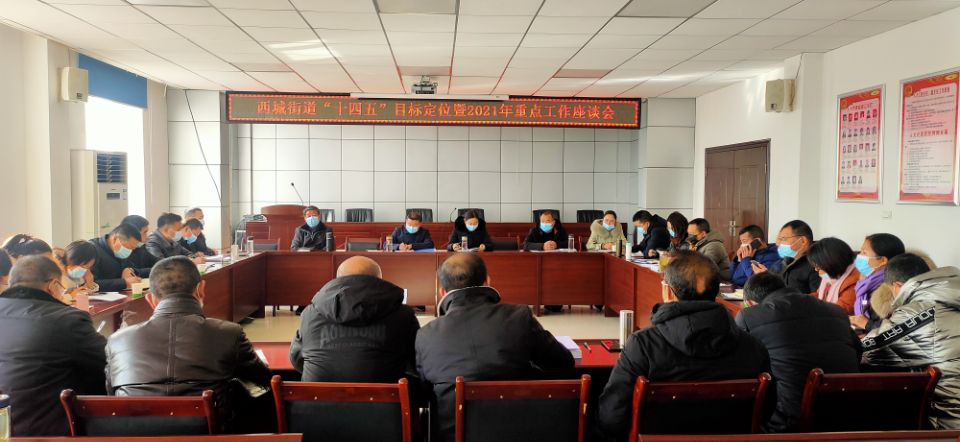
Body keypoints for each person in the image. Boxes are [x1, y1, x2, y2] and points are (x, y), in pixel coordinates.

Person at [597, 251, 769, 440]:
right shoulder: (753, 346)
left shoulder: (643, 344)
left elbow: (612, 417)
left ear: (668, 291)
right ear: (717, 291)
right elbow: (766, 409)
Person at [416, 253, 574, 442]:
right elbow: (563, 364)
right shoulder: (519, 317)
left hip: (455, 435)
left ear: (442, 291)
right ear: (488, 281)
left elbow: (423, 392)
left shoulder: (425, 335)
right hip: (524, 431)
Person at [105, 256, 271, 429]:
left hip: (136, 434)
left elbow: (111, 394)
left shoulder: (117, 340)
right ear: (201, 289)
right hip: (209, 434)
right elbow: (263, 379)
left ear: (150, 299)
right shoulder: (229, 333)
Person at [736, 272, 862, 432]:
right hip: (848, 412)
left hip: (788, 420)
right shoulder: (836, 311)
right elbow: (858, 351)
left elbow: (741, 365)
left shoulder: (749, 316)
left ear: (749, 303)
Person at [0, 256, 106, 436]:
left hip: (5, 425)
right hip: (44, 430)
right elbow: (109, 361)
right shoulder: (66, 319)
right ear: (54, 285)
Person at [862, 254, 960, 429]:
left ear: (897, 286)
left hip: (950, 421)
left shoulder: (916, 312)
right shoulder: (950, 296)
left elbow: (869, 352)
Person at [290, 256, 419, 382]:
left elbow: (297, 359)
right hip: (387, 396)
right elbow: (417, 361)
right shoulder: (404, 315)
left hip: (316, 396)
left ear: (338, 280)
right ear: (379, 281)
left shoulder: (310, 314)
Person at [850, 233, 905, 331]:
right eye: (860, 251)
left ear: (883, 260)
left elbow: (894, 330)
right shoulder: (866, 281)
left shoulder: (892, 290)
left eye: (864, 253)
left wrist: (866, 324)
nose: (859, 256)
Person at [752, 220, 821, 294]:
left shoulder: (817, 266)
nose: (777, 243)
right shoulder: (780, 263)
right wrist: (765, 276)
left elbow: (818, 298)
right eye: (778, 239)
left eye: (783, 239)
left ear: (803, 241)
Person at [807, 237, 860, 315]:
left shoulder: (854, 281)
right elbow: (820, 295)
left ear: (831, 263)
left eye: (818, 266)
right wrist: (799, 299)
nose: (816, 269)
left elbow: (841, 309)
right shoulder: (834, 274)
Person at [89, 223, 145, 292]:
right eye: (129, 247)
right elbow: (90, 284)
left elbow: (128, 268)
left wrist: (128, 270)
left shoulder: (120, 251)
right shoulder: (92, 250)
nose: (130, 251)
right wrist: (124, 282)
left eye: (133, 248)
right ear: (115, 239)